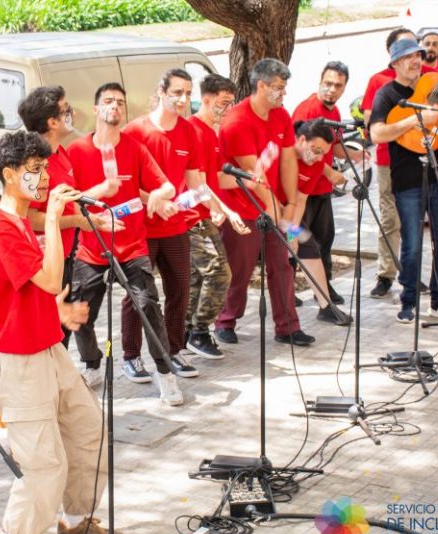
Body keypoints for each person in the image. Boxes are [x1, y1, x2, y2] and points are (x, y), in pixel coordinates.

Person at [0, 130, 124, 534]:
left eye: (44, 169)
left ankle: (74, 522)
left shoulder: (21, 220)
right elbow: (48, 277)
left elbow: (25, 290)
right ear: (9, 174)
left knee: (88, 431)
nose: (43, 179)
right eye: (34, 170)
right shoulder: (0, 225)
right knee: (44, 461)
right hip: (20, 360)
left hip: (48, 349)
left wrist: (60, 312)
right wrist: (57, 219)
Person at [67, 82, 184, 405]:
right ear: (95, 109)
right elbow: (69, 202)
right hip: (92, 246)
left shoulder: (134, 147)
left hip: (132, 247)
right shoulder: (77, 150)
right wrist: (100, 191)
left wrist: (158, 195)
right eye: (108, 101)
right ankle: (92, 364)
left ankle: (166, 375)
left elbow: (166, 187)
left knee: (148, 306)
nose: (114, 106)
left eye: (120, 102)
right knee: (79, 314)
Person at [215, 58, 315, 347]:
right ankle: (225, 320)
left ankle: (287, 327)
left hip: (273, 204)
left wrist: (291, 204)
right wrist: (275, 211)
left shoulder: (280, 115)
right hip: (243, 207)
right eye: (278, 87)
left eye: (284, 87)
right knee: (240, 268)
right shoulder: (237, 121)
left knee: (282, 265)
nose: (284, 93)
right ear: (261, 85)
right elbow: (253, 176)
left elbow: (288, 159)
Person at [122, 68, 213, 380]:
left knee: (180, 290)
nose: (183, 99)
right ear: (161, 92)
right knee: (138, 295)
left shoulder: (189, 132)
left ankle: (174, 350)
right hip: (141, 230)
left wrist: (219, 208)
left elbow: (195, 180)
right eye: (177, 92)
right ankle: (131, 356)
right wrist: (154, 201)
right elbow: (125, 182)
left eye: (187, 93)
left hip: (175, 227)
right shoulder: (136, 131)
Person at [370, 38, 438, 323]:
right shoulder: (387, 94)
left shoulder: (436, 82)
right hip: (408, 178)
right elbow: (376, 133)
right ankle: (408, 301)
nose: (416, 61)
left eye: (418, 56)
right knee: (412, 244)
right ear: (395, 63)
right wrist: (415, 120)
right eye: (408, 57)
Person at [17, 86, 119, 358]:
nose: (73, 112)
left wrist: (97, 200)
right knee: (47, 338)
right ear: (52, 121)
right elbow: (30, 217)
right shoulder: (35, 163)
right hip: (42, 262)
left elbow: (65, 200)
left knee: (60, 337)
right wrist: (79, 221)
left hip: (64, 257)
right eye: (67, 109)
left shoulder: (61, 153)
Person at [362, 28, 438, 299]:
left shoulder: (425, 78)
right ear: (393, 54)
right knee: (390, 219)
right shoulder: (379, 82)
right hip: (388, 160)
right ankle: (386, 274)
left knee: (414, 222)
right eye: (405, 49)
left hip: (420, 159)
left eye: (416, 50)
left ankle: (411, 275)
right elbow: (371, 121)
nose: (413, 56)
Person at [185, 73, 249, 359]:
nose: (227, 109)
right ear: (207, 99)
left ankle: (186, 332)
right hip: (191, 214)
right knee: (219, 271)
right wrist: (224, 208)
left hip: (205, 213)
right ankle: (199, 331)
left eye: (231, 103)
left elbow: (215, 178)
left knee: (199, 277)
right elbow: (196, 181)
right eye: (223, 103)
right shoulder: (193, 130)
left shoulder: (211, 133)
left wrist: (249, 181)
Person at [292, 61, 362, 306]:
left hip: (320, 189)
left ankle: (324, 287)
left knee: (324, 239)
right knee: (297, 239)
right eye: (328, 83)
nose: (332, 89)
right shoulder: (308, 109)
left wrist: (354, 154)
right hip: (302, 188)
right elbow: (304, 152)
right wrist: (330, 172)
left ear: (344, 88)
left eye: (338, 85)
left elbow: (333, 147)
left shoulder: (335, 112)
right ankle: (288, 288)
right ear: (320, 82)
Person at [290, 119, 352, 325]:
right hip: (262, 208)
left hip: (287, 215)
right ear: (301, 140)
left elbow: (300, 200)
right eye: (315, 150)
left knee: (309, 247)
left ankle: (326, 307)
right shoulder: (281, 154)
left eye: (323, 153)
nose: (318, 158)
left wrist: (292, 233)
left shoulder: (316, 165)